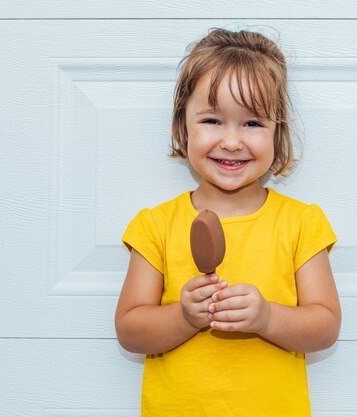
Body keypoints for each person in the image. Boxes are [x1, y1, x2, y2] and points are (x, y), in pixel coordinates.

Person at [114, 27, 341, 417]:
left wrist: (268, 317)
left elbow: (325, 327)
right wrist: (184, 316)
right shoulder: (155, 226)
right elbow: (130, 331)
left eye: (253, 123)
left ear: (278, 133)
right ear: (182, 126)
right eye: (213, 120)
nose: (232, 141)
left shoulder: (302, 223)